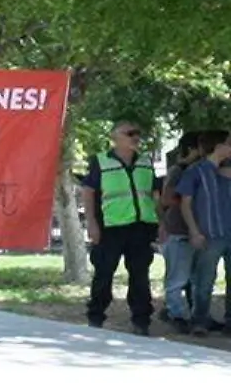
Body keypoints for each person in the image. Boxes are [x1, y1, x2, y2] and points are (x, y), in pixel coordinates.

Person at [81, 120, 160, 335]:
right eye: (130, 133)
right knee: (104, 274)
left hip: (141, 228)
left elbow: (154, 194)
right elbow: (88, 193)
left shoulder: (145, 162)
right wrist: (92, 224)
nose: (136, 137)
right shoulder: (100, 161)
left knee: (140, 276)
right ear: (115, 137)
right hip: (110, 228)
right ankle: (96, 318)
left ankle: (141, 321)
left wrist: (160, 222)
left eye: (138, 133)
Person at [175, 132, 231, 335]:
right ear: (217, 147)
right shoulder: (196, 171)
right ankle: (200, 320)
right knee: (204, 280)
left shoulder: (226, 171)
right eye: (227, 144)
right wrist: (194, 231)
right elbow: (185, 204)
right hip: (209, 234)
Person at [158, 133, 203, 330]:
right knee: (177, 277)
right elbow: (166, 199)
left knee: (195, 277)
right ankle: (175, 314)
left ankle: (191, 314)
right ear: (192, 149)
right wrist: (189, 198)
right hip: (178, 229)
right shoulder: (179, 170)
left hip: (195, 231)